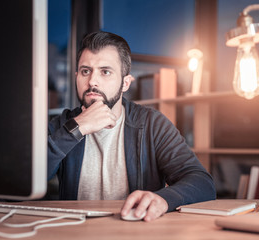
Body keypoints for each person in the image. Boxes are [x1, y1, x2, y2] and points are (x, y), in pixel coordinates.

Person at [48, 31, 216, 222]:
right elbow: (25, 178)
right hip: (74, 231)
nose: (92, 81)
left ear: (125, 83)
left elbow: (202, 183)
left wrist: (163, 199)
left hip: (136, 230)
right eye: (86, 71)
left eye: (105, 72)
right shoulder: (63, 124)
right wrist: (76, 129)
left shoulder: (153, 124)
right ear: (77, 76)